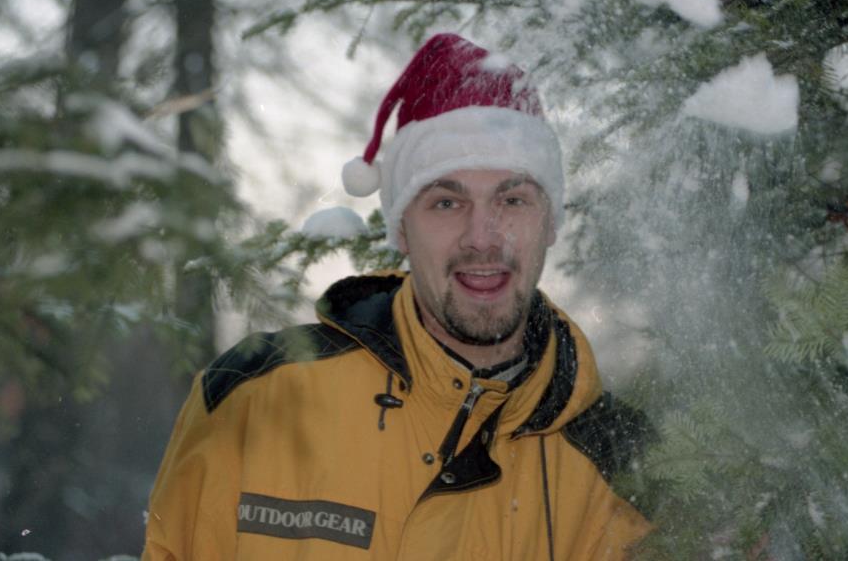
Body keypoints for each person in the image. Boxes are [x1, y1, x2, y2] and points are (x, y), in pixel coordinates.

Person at [142, 33, 653, 560]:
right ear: (401, 229)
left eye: (513, 199)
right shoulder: (254, 397)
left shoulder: (622, 466)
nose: (483, 237)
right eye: (447, 202)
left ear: (550, 222)